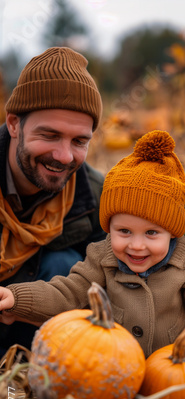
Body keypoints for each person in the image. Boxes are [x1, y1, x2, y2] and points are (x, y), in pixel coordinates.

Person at [0, 130, 185, 358]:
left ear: (172, 232)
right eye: (124, 231)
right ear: (109, 228)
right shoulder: (102, 260)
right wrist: (17, 297)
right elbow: (66, 294)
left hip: (173, 375)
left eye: (151, 233)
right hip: (113, 372)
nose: (136, 245)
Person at [0, 46, 106, 354]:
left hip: (39, 344)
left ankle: (27, 380)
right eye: (49, 135)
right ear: (14, 124)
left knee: (66, 265)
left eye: (79, 141)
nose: (63, 156)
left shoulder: (96, 196)